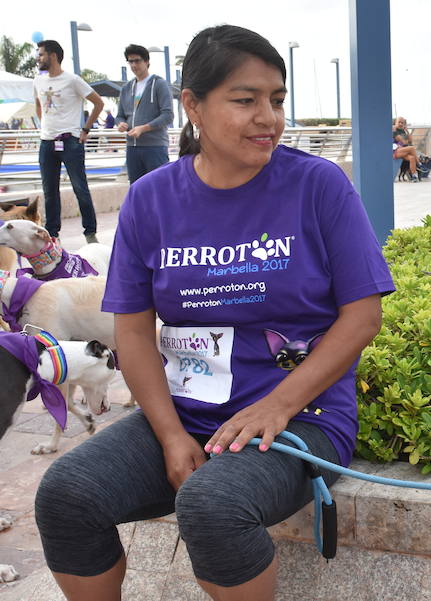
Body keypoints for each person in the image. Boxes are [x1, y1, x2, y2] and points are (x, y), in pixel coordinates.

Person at [34, 24, 394, 601]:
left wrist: (277, 406)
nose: (268, 117)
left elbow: (362, 316)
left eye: (276, 100)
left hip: (301, 419)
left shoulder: (317, 186)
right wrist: (172, 435)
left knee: (213, 503)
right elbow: (131, 334)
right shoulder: (151, 199)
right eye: (245, 100)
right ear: (193, 106)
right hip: (188, 413)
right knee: (67, 494)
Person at [33, 39, 102, 243]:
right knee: (49, 191)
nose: (39, 58)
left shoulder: (72, 80)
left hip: (70, 141)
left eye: (42, 54)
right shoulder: (38, 80)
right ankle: (52, 234)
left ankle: (90, 232)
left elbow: (98, 103)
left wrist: (86, 129)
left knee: (80, 188)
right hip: (47, 142)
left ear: (53, 56)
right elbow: (38, 104)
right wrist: (43, 126)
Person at [115, 44, 174, 184]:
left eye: (137, 60)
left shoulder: (159, 84)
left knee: (159, 187)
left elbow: (168, 115)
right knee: (136, 188)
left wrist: (144, 128)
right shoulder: (126, 88)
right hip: (132, 147)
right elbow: (120, 115)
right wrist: (120, 123)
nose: (134, 65)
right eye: (130, 61)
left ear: (147, 62)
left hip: (155, 147)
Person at [393, 116, 421, 182]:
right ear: (395, 122)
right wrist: (406, 141)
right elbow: (403, 141)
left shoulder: (402, 131)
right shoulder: (393, 130)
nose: (400, 124)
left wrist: (407, 131)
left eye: (402, 123)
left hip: (402, 151)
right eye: (399, 122)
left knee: (412, 158)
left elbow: (410, 141)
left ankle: (414, 176)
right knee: (412, 148)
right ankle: (419, 164)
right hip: (394, 151)